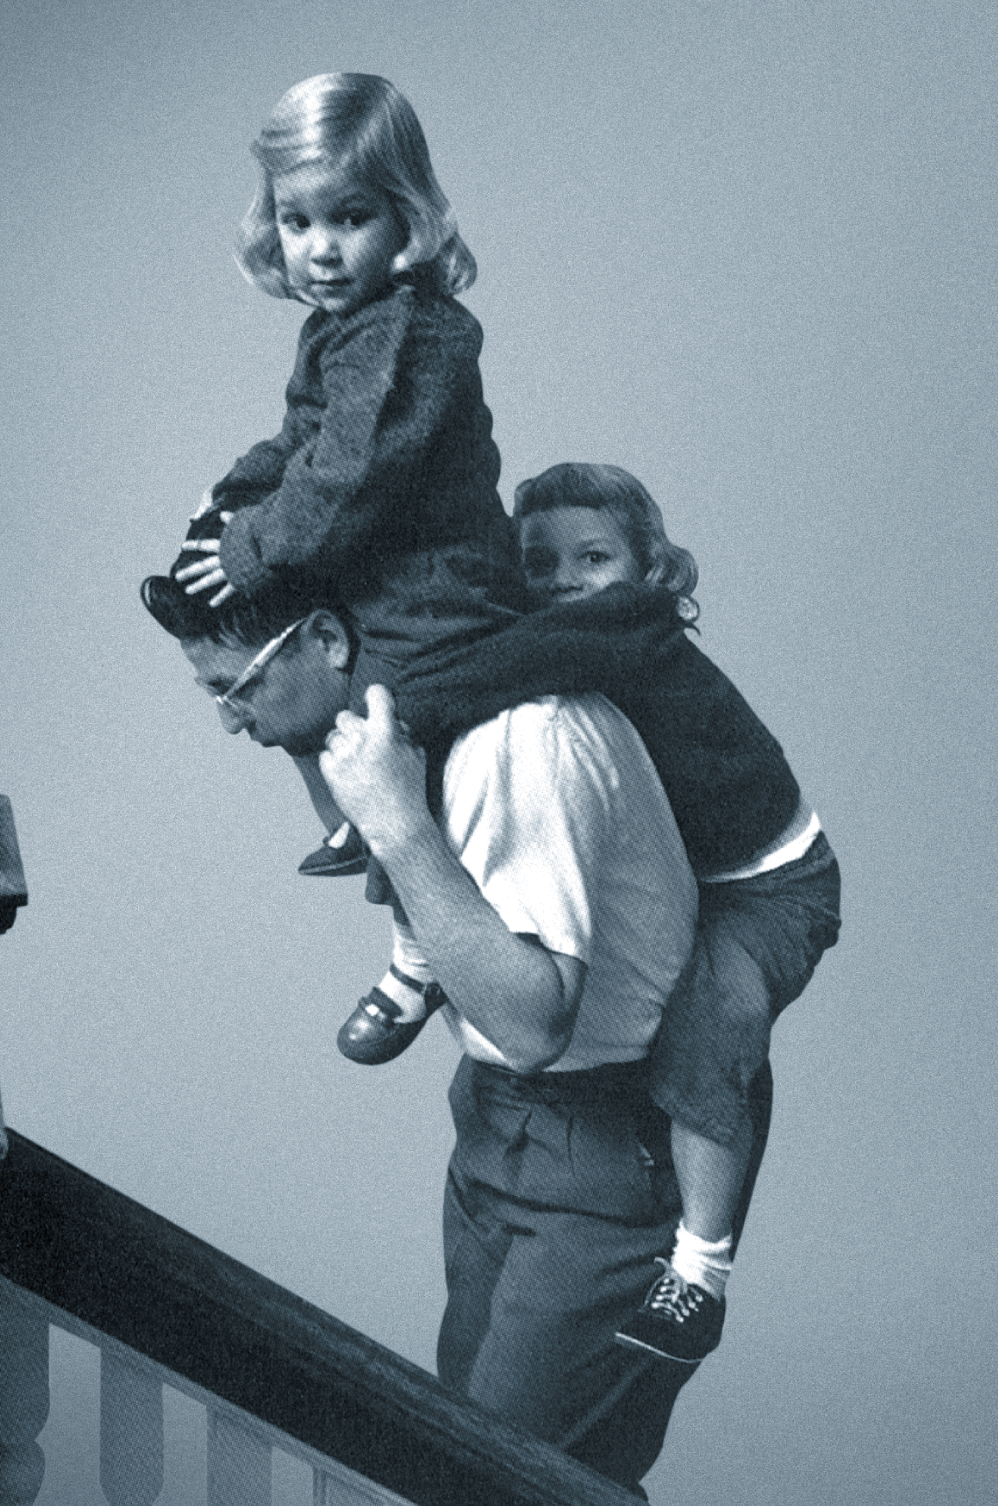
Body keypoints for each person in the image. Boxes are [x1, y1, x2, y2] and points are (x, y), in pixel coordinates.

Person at [142, 577, 720, 1492]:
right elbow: (373, 847)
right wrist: (340, 774)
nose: (226, 719)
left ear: (327, 639)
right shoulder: (413, 720)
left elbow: (531, 1022)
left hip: (606, 1144)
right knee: (509, 1465)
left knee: (493, 1479)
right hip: (497, 1124)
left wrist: (399, 822)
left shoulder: (521, 740)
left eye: (236, 686)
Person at [337, 463, 841, 1366]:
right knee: (434, 800)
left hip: (769, 882)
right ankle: (416, 964)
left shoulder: (626, 629)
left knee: (710, 1023)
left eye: (594, 558)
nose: (566, 580)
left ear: (649, 570)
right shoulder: (554, 647)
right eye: (540, 563)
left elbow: (500, 665)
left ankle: (700, 1272)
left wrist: (397, 716)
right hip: (694, 862)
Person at [170, 72, 523, 878]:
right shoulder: (344, 327)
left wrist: (249, 548)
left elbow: (348, 476)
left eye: (350, 218)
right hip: (379, 572)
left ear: (407, 215)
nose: (320, 248)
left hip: (436, 592)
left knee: (369, 704)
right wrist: (231, 495)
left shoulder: (405, 336)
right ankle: (365, 826)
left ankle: (408, 849)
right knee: (283, 670)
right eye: (297, 221)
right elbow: (302, 435)